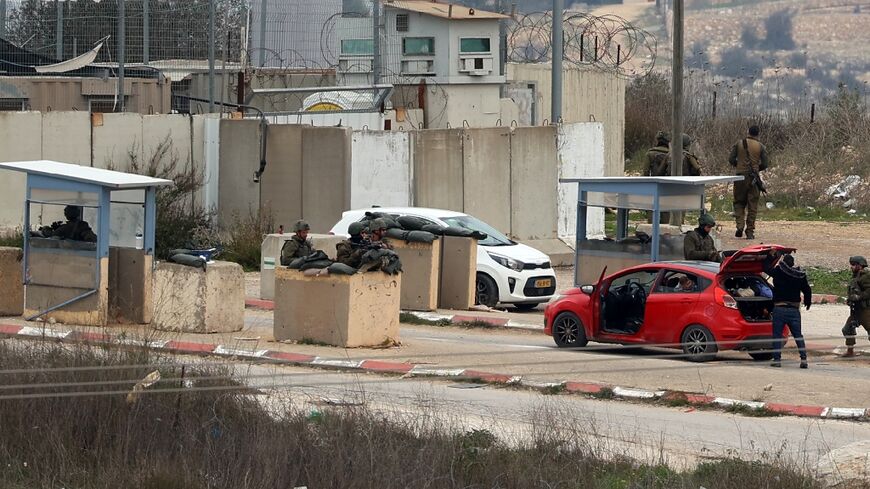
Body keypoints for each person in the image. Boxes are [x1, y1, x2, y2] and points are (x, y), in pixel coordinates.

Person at [763, 251, 812, 368]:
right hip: (794, 310)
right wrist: (807, 302)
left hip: (779, 309)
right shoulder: (799, 275)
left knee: (777, 335)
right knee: (798, 335)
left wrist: (770, 256)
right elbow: (807, 290)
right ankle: (804, 359)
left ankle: (777, 360)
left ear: (783, 263)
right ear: (792, 264)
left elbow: (766, 268)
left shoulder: (779, 272)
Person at [729, 125, 769, 240]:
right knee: (752, 205)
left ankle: (740, 226)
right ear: (758, 134)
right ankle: (750, 231)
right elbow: (765, 164)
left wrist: (739, 167)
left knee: (738, 202)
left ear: (748, 132)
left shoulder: (739, 143)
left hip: (740, 178)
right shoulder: (760, 146)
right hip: (753, 179)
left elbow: (731, 159)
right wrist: (756, 169)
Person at [842, 256, 870, 357]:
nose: (851, 267)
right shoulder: (855, 276)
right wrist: (850, 299)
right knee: (847, 329)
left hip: (865, 310)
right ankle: (850, 351)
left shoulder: (865, 276)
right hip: (855, 310)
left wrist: (859, 297)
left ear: (860, 265)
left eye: (854, 265)